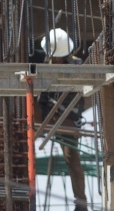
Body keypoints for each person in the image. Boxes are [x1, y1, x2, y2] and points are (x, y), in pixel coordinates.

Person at [37, 28, 88, 211]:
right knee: (27, 143)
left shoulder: (77, 66)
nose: (57, 60)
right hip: (50, 116)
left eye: (60, 57)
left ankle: (81, 202)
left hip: (68, 118)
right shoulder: (46, 63)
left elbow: (83, 95)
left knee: (70, 156)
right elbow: (42, 94)